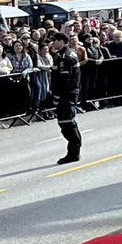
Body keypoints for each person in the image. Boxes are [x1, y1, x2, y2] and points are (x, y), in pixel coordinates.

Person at [48, 31, 82, 164]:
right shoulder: (63, 54)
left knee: (68, 123)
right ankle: (73, 151)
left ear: (61, 41)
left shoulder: (66, 57)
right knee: (64, 123)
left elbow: (64, 80)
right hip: (66, 94)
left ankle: (74, 153)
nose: (53, 43)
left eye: (55, 40)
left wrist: (57, 95)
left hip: (66, 95)